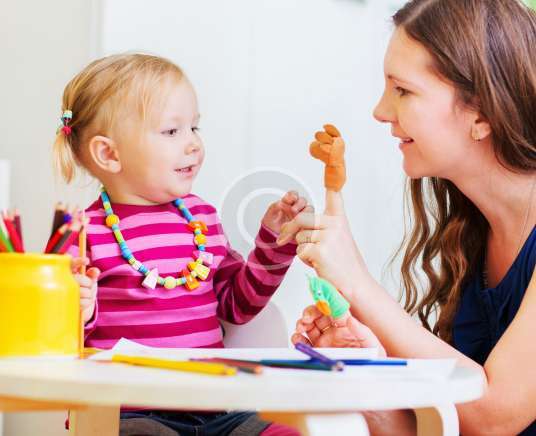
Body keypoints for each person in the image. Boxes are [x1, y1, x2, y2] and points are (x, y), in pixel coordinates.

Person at [279, 0, 536, 434]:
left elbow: (494, 416)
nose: (380, 111)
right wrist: (364, 366)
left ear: (482, 113)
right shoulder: (472, 233)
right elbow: (442, 428)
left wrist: (357, 283)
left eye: (403, 90)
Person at [54, 53, 305, 436]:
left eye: (194, 128)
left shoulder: (202, 219)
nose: (193, 144)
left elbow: (237, 306)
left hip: (215, 411)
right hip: (126, 416)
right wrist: (78, 309)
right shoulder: (81, 233)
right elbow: (54, 342)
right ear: (109, 153)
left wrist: (274, 243)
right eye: (172, 132)